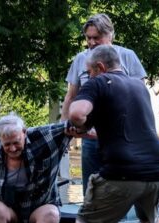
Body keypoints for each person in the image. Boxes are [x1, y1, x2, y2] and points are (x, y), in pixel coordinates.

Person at [66, 45, 159, 223]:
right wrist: (86, 130)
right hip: (158, 171)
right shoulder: (139, 86)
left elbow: (77, 113)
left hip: (123, 172)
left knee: (84, 221)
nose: (89, 76)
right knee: (151, 221)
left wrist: (77, 122)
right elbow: (122, 128)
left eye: (90, 71)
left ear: (101, 67)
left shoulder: (99, 82)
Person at [60, 13, 147, 194]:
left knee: (121, 189)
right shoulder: (80, 59)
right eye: (88, 38)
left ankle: (123, 220)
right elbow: (71, 97)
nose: (91, 42)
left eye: (96, 38)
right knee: (91, 189)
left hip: (122, 138)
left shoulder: (127, 56)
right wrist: (63, 131)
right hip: (91, 138)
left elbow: (140, 97)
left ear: (110, 35)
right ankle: (90, 220)